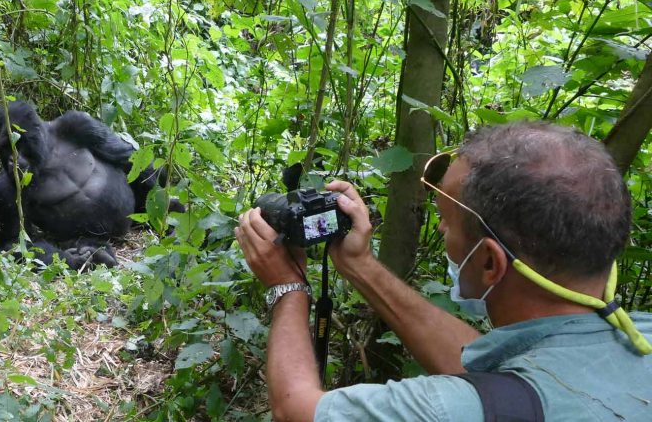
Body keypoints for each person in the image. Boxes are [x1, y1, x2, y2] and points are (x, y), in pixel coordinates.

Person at [235, 122, 652, 421]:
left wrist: (288, 288)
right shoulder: (639, 337)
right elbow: (497, 376)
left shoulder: (450, 410)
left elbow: (298, 411)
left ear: (491, 263)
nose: (439, 229)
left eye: (446, 222)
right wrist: (359, 265)